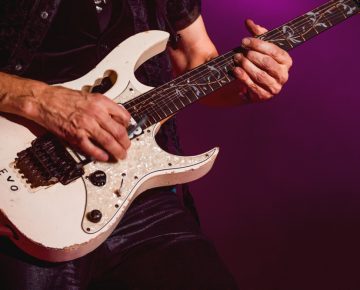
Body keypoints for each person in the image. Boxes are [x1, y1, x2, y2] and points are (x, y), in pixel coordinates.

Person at [0, 0, 292, 289]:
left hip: (136, 192)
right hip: (22, 186)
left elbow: (195, 59)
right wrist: (40, 100)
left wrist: (247, 79)